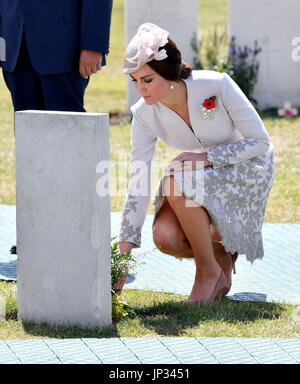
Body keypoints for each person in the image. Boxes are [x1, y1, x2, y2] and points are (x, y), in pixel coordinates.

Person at [117, 23, 274, 305]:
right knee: (165, 236)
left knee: (177, 179)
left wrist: (206, 158)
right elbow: (138, 178)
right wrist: (123, 254)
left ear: (168, 73)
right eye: (135, 80)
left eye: (148, 80)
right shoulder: (142, 114)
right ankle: (220, 254)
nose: (140, 89)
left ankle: (207, 272)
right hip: (201, 176)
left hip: (246, 168)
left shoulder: (216, 84)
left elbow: (260, 142)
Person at [0, 0, 113, 254]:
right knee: (29, 146)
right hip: (15, 47)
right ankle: (35, 229)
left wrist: (94, 44)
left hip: (64, 48)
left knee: (70, 144)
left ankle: (78, 230)